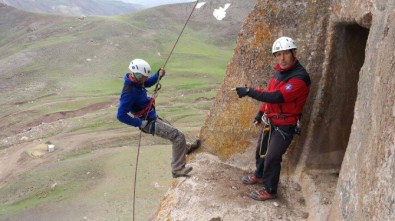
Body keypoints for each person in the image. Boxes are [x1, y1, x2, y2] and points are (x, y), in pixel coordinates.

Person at [235, 36, 311, 200]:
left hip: (286, 125)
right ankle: (260, 175)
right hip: (272, 121)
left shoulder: (300, 78)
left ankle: (270, 190)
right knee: (261, 152)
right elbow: (269, 96)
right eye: (278, 55)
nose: (282, 58)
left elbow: (277, 97)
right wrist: (260, 113)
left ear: (293, 53)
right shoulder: (279, 74)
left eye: (285, 54)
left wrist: (249, 91)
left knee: (272, 156)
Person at [116, 58, 200, 178]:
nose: (145, 79)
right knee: (177, 136)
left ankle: (185, 149)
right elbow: (120, 115)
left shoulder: (137, 81)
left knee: (175, 132)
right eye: (144, 77)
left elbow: (148, 82)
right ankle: (177, 170)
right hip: (147, 122)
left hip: (151, 116)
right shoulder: (128, 93)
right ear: (137, 75)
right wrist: (139, 123)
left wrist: (158, 75)